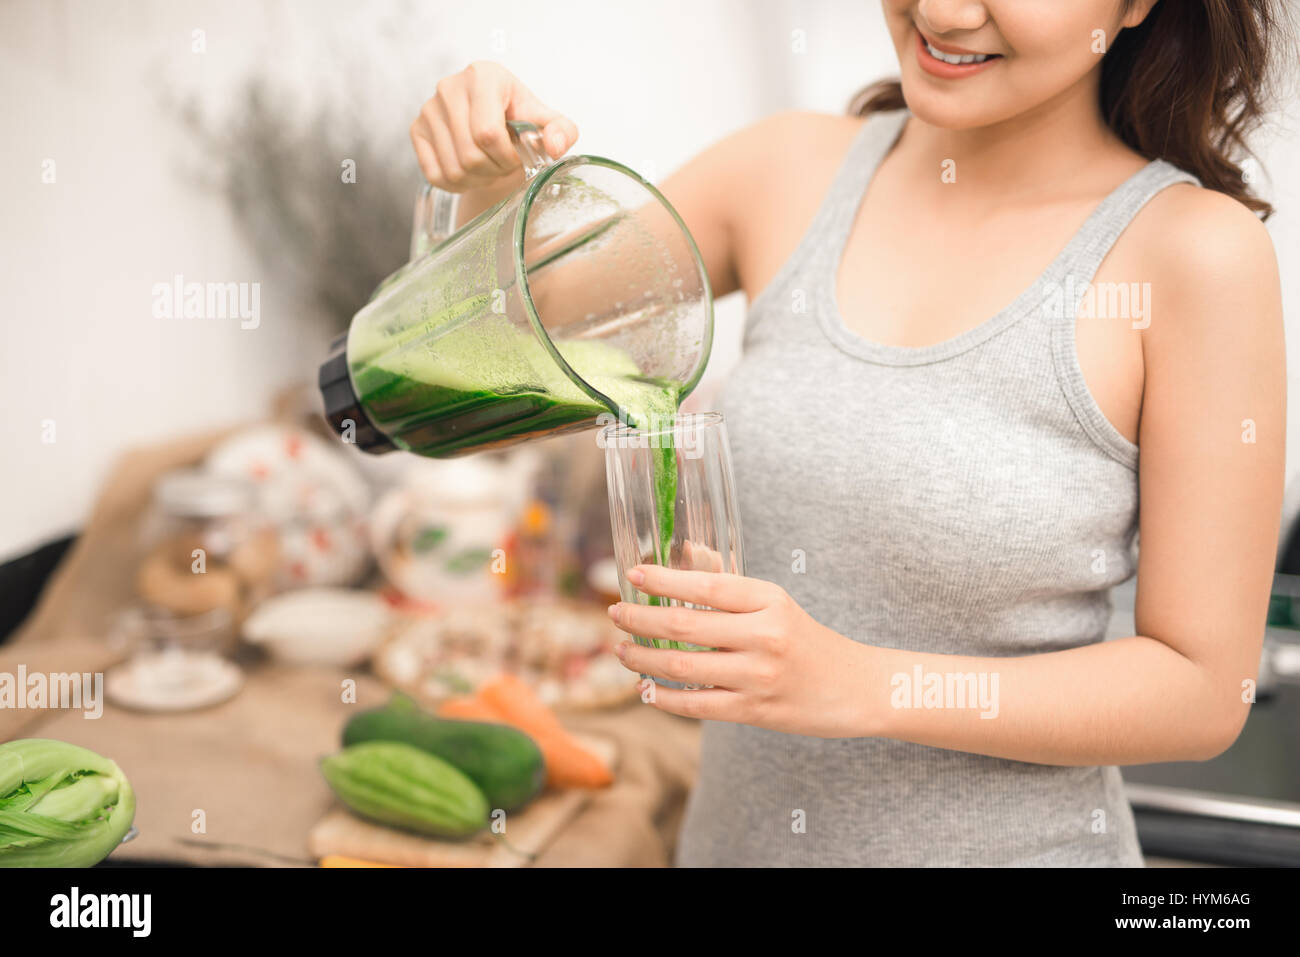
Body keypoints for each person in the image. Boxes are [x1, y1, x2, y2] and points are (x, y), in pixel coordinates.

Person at [409, 0, 1288, 866]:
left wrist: (864, 684)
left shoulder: (1190, 255)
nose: (943, 11)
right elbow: (511, 339)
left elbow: (1203, 690)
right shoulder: (784, 168)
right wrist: (489, 180)